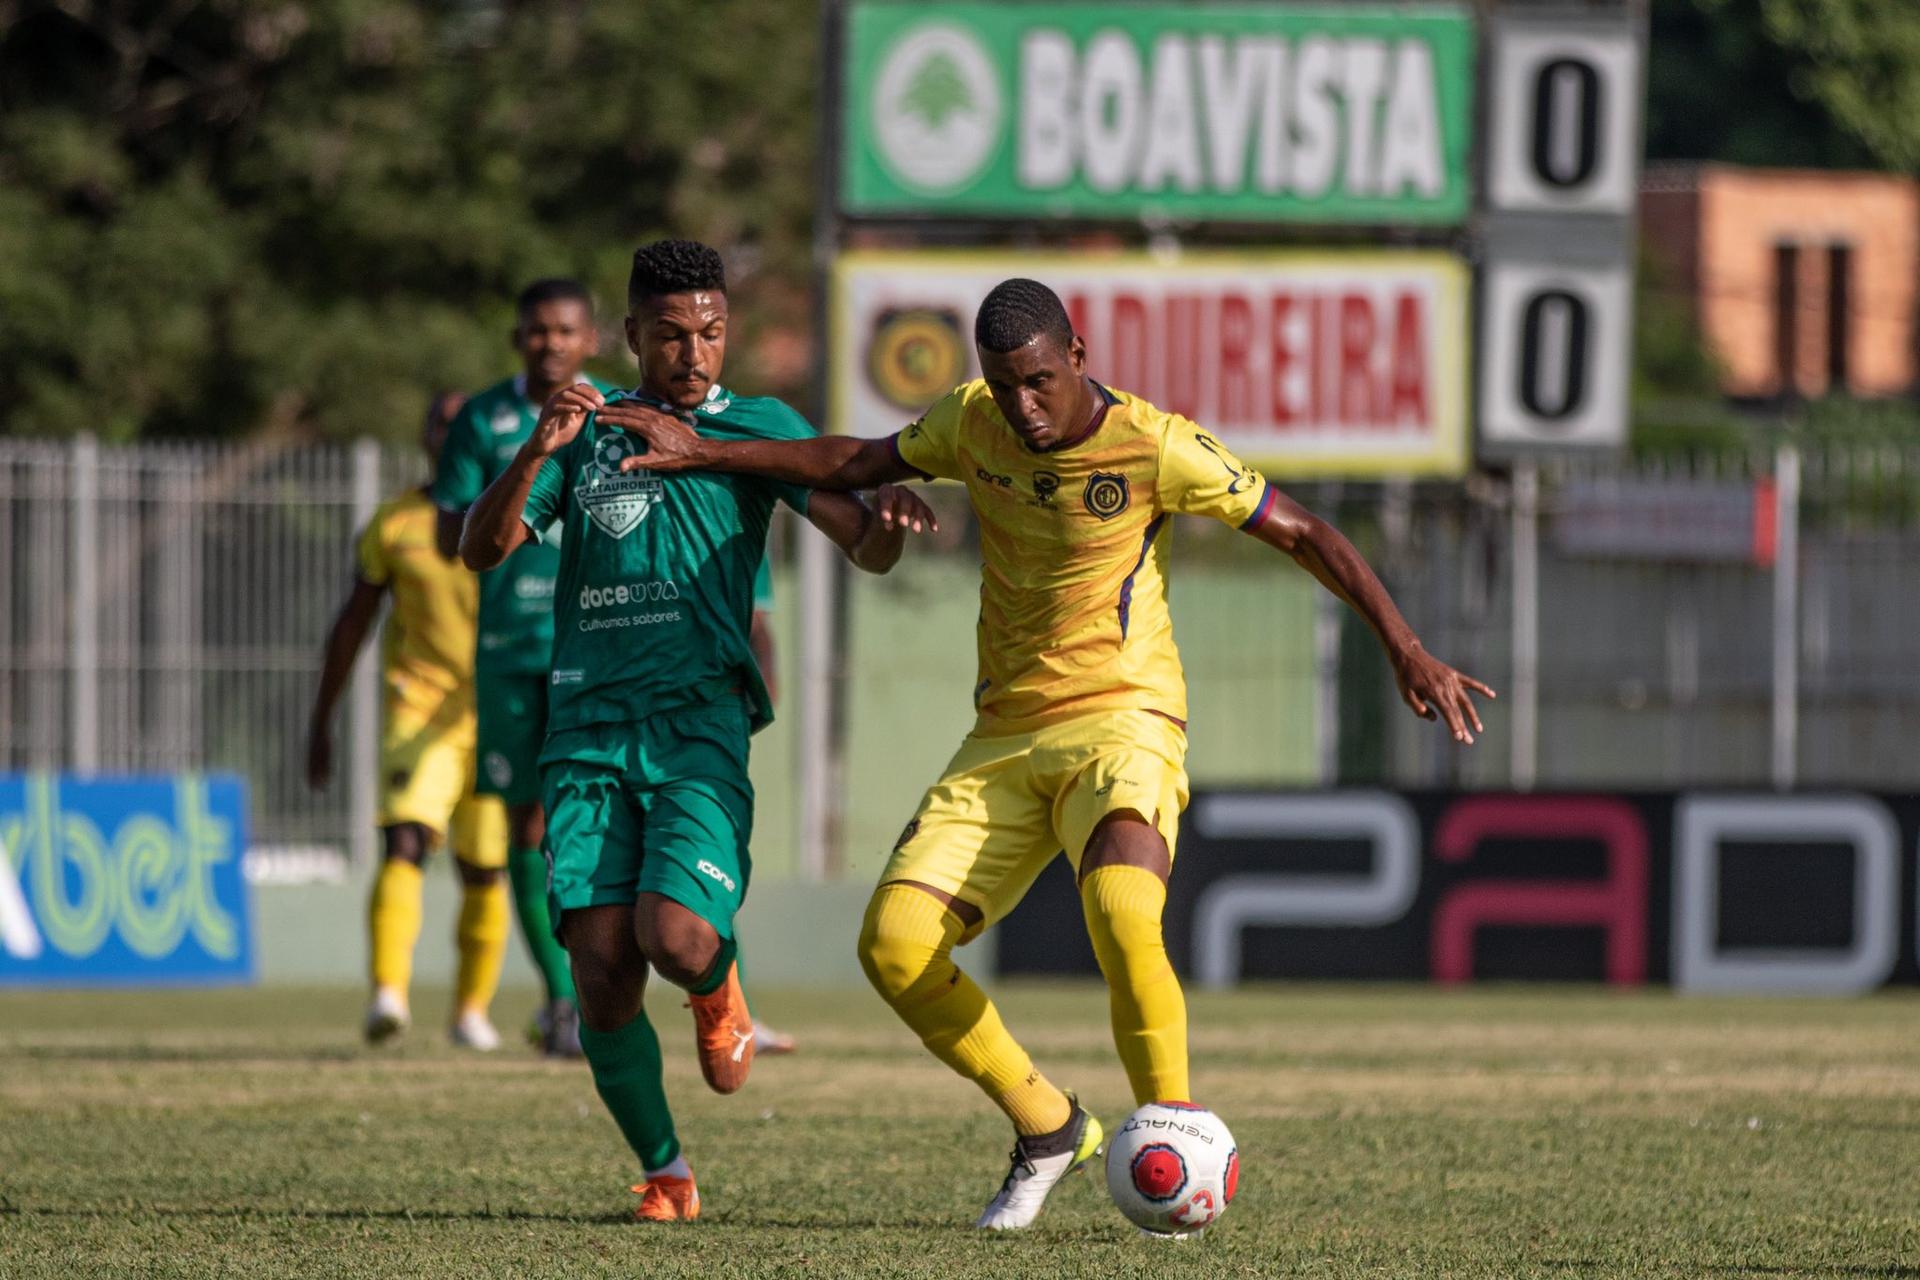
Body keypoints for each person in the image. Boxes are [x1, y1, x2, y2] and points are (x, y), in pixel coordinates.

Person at [597, 277, 1495, 1230]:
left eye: (1036, 382)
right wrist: (705, 454)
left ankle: (1176, 1130)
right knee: (894, 949)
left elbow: (1305, 530)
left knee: (1118, 902)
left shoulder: (1156, 444)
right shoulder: (972, 421)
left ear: (1077, 353)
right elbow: (854, 459)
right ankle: (1049, 1126)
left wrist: (1404, 645)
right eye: (1002, 385)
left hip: (1126, 718)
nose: (1021, 407)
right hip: (1004, 736)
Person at [458, 239, 935, 1221]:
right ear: (631, 334)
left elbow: (864, 548)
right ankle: (666, 1170)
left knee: (671, 936)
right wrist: (536, 449)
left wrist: (885, 520)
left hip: (698, 724)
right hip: (585, 726)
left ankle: (717, 988)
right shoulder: (584, 432)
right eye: (671, 334)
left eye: (711, 331)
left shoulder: (759, 428)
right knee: (598, 968)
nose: (693, 352)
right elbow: (482, 546)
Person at [432, 279, 620, 1057]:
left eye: (564, 330)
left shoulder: (618, 411)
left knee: (603, 815)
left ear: (592, 339)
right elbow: (454, 531)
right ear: (519, 340)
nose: (550, 343)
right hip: (512, 650)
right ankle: (564, 998)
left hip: (600, 643)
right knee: (529, 822)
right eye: (537, 331)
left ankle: (624, 987)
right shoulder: (483, 418)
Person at [307, 391, 512, 1050]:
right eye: (440, 424)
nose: (450, 435)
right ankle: (387, 995)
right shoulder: (395, 523)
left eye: (461, 426)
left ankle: (471, 1011)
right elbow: (353, 623)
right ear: (426, 437)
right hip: (416, 707)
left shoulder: (513, 514)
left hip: (495, 713)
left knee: (485, 868)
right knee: (405, 843)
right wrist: (321, 720)